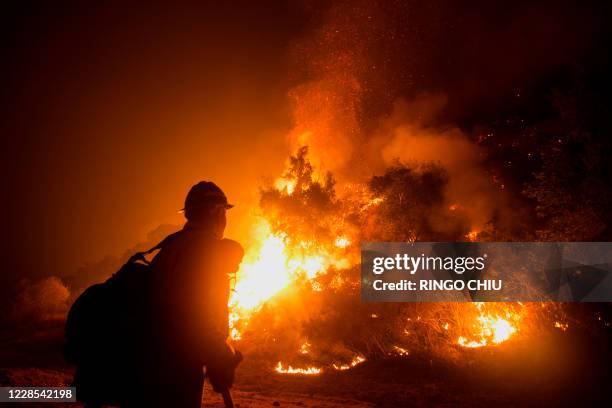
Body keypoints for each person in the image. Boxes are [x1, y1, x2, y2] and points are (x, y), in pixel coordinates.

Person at [124, 181, 244, 407]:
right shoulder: (205, 248)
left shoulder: (171, 246)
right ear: (216, 212)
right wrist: (219, 352)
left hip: (146, 360)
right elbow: (195, 309)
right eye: (223, 212)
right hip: (177, 364)